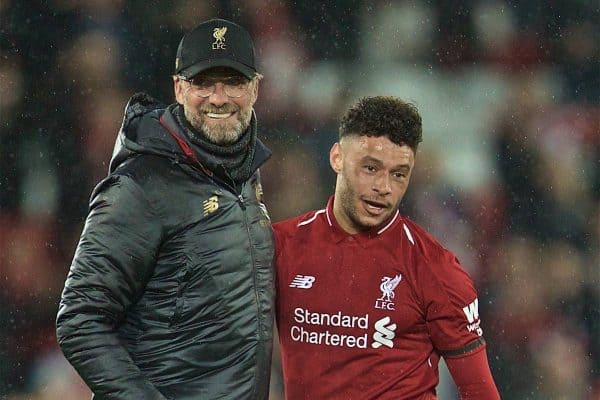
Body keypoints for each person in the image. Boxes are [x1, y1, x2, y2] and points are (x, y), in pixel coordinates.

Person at [56, 18, 275, 400]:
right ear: (178, 88)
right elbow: (80, 319)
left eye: (233, 82)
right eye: (203, 82)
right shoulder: (140, 186)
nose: (219, 97)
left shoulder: (245, 175)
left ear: (255, 88)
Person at [273, 96, 501, 399]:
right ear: (337, 158)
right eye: (371, 168)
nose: (384, 187)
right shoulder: (280, 247)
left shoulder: (435, 269)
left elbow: (479, 391)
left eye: (399, 174)